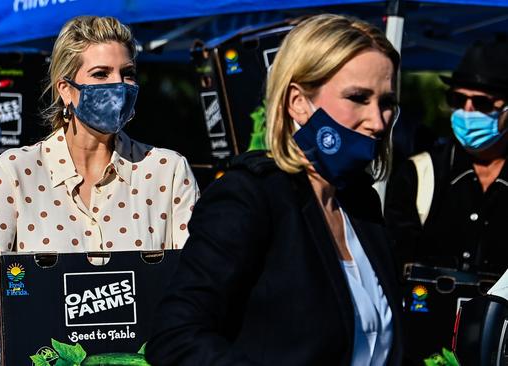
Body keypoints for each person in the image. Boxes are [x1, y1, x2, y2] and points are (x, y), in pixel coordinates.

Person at [146, 14, 403, 366]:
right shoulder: (251, 195)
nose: (378, 121)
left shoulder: (361, 203)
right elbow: (176, 337)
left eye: (387, 103)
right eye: (358, 97)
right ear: (297, 101)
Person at [0, 15, 199, 365]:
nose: (119, 85)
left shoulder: (166, 171)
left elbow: (197, 285)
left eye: (128, 73)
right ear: (66, 89)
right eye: (101, 74)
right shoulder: (18, 171)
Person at [384, 39, 508, 362]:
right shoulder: (419, 173)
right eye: (457, 100)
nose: (466, 112)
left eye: (481, 103)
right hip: (419, 347)